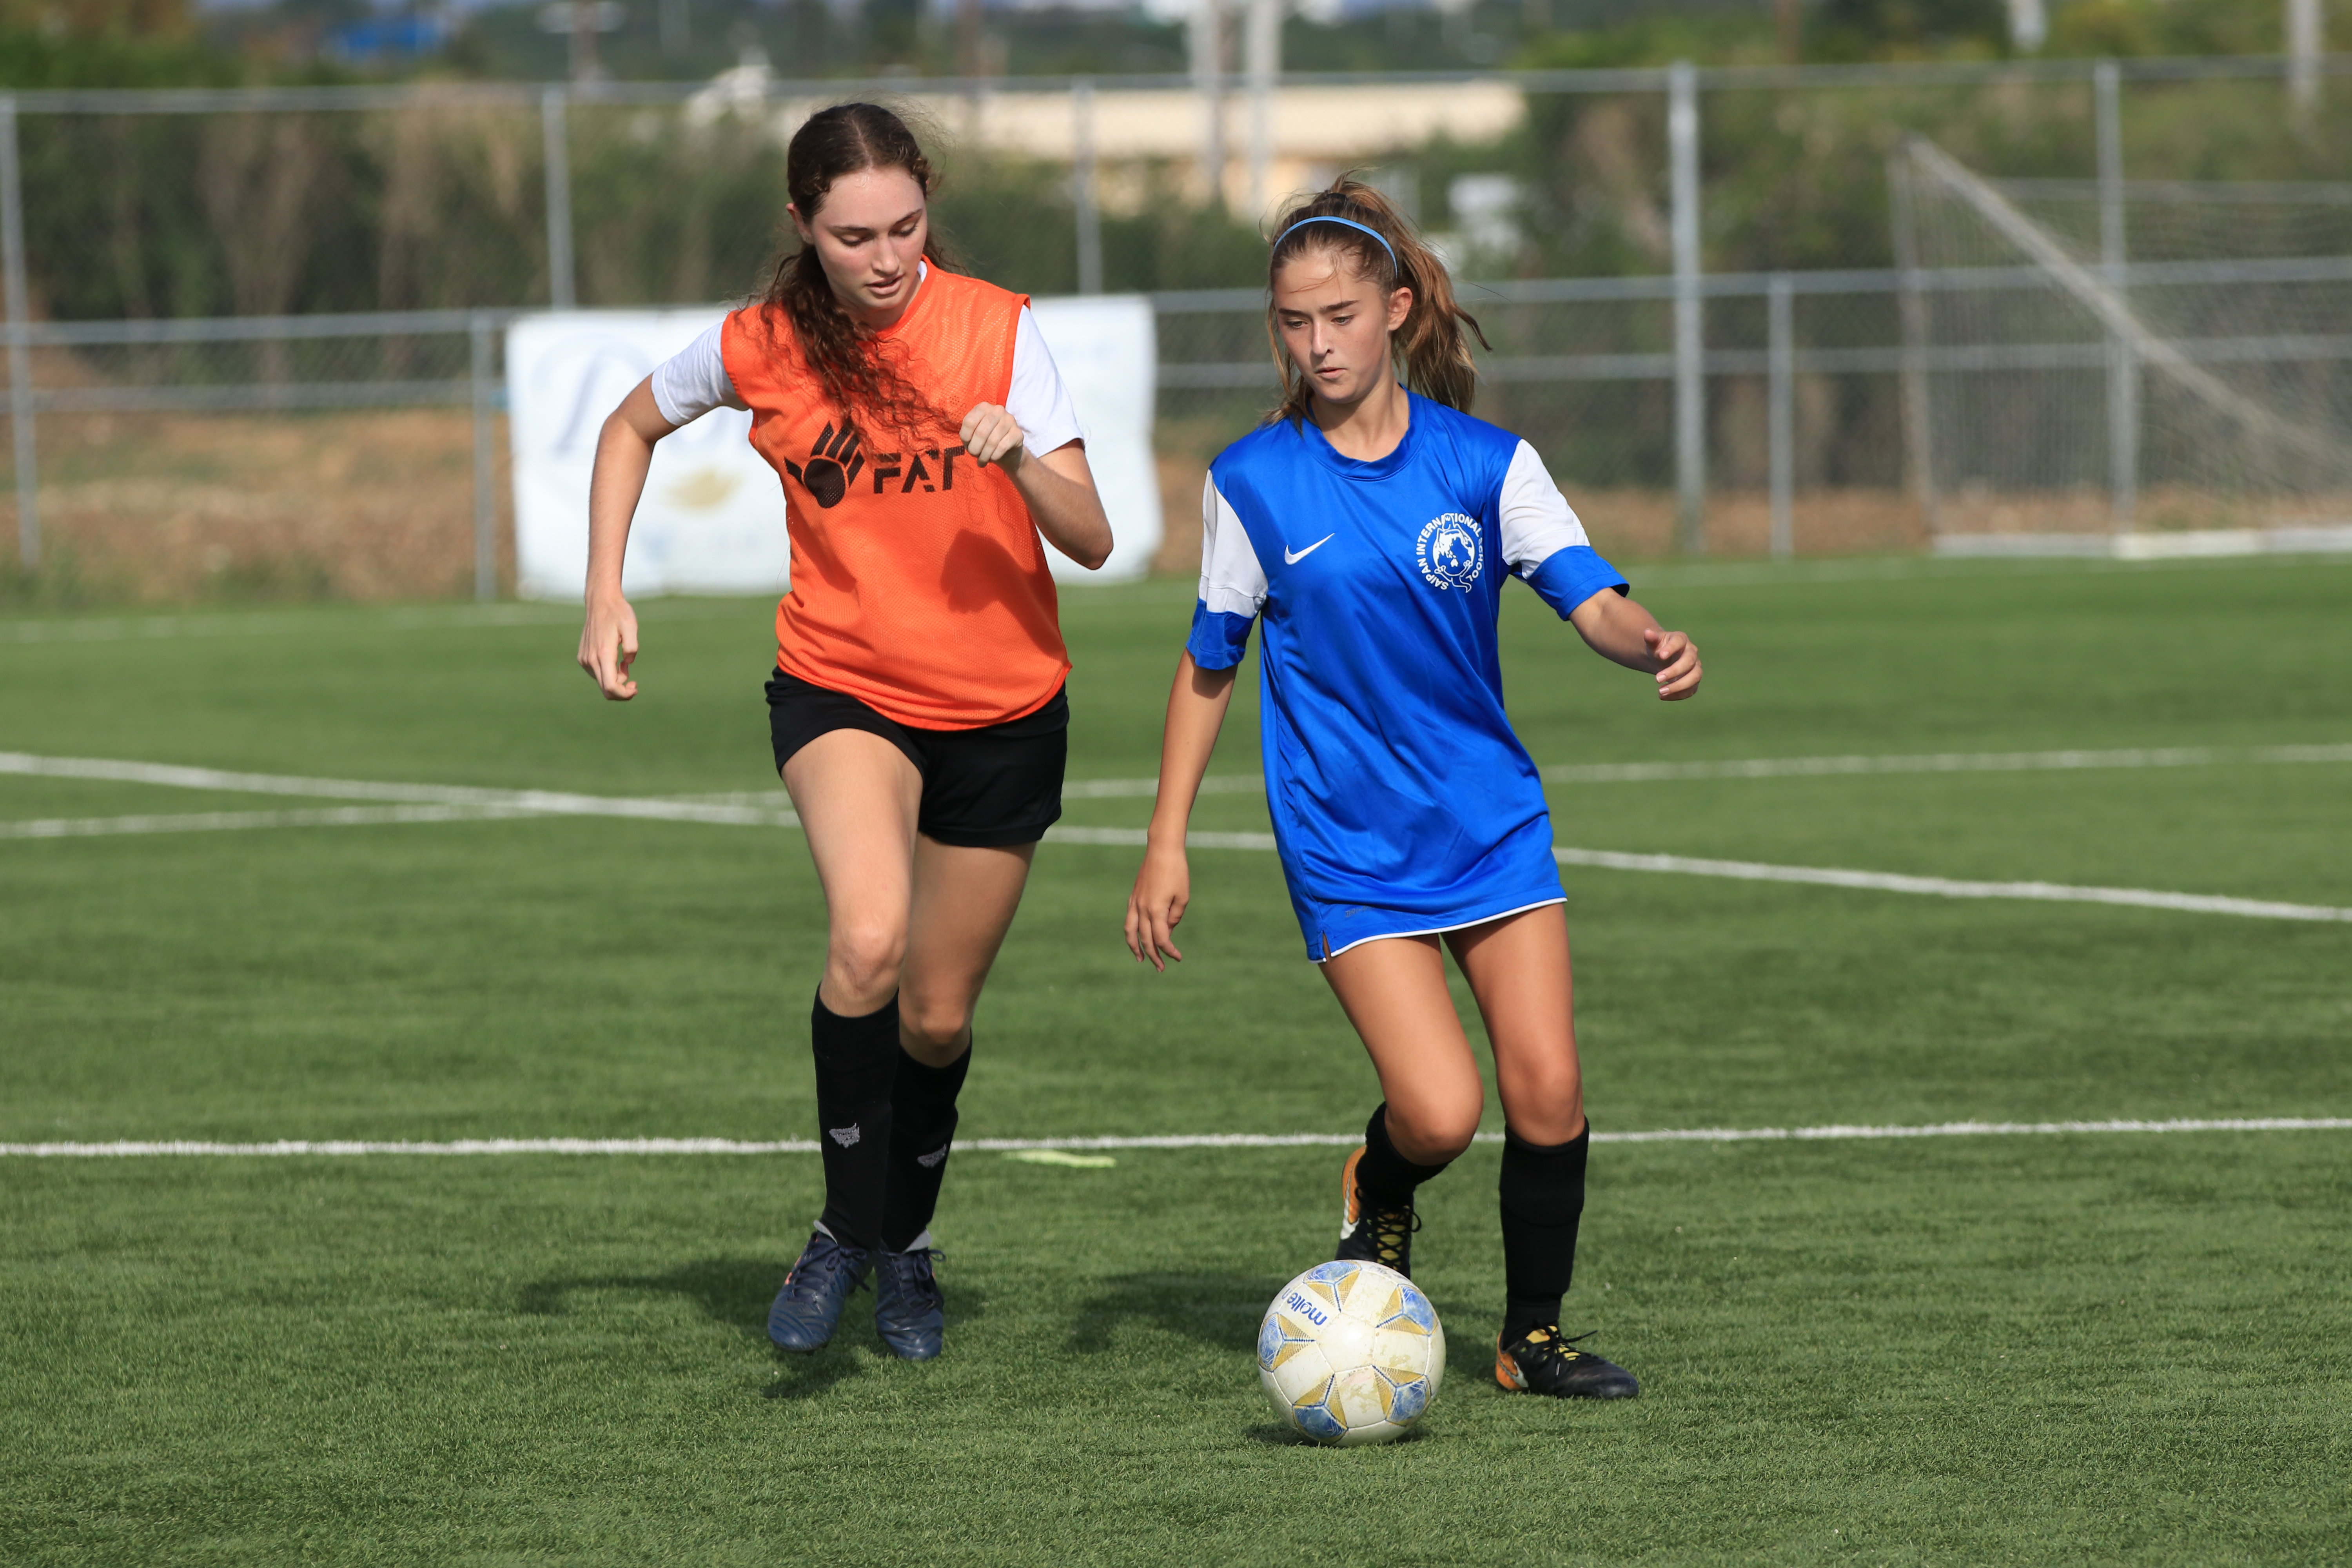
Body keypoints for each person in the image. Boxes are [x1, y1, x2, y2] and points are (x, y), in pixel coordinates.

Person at [1123, 181, 1700, 1401]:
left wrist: (1647, 636)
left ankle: (1529, 1340)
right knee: (1439, 1112)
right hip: (1347, 842)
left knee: (1548, 1091)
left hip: (1489, 820)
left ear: (1394, 309)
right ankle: (1380, 1189)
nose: (1316, 344)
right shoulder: (1255, 483)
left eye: (1338, 314)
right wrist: (1165, 841)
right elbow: (1209, 664)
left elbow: (1589, 593)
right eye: (1292, 322)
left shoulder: (1486, 465)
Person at [578, 102, 1113, 1362]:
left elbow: (1092, 539)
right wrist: (607, 586)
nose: (885, 258)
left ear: (930, 201)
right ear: (802, 225)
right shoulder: (759, 344)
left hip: (1006, 707)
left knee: (933, 1018)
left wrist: (1022, 455)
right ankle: (840, 1231)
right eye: (854, 234)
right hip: (844, 687)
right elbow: (629, 426)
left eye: (907, 227)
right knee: (867, 940)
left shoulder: (999, 327)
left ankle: (905, 1248)